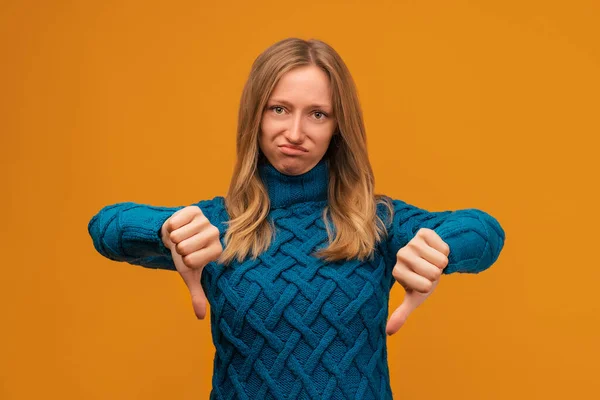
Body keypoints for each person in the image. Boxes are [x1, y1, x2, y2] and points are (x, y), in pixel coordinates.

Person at [88, 37, 506, 399]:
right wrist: (164, 233)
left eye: (317, 114)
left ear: (338, 127)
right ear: (255, 116)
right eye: (279, 109)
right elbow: (106, 226)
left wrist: (443, 248)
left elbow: (486, 232)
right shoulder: (216, 227)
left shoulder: (376, 222)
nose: (295, 132)